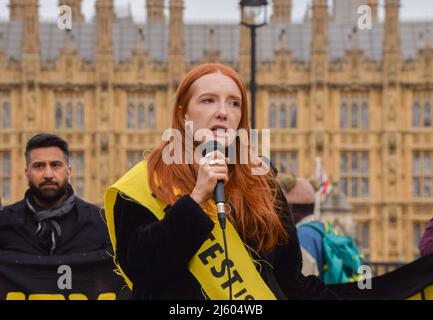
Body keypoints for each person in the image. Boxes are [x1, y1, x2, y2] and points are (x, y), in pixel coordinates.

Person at [104, 63, 338, 300]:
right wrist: (195, 201)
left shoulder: (262, 183)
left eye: (234, 103)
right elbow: (142, 270)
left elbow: (291, 281)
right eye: (208, 100)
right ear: (183, 113)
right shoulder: (147, 182)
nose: (223, 112)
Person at [0, 133, 110, 255]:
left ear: (69, 171)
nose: (48, 174)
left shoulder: (101, 223)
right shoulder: (3, 223)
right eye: (39, 166)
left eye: (55, 165)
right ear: (27, 173)